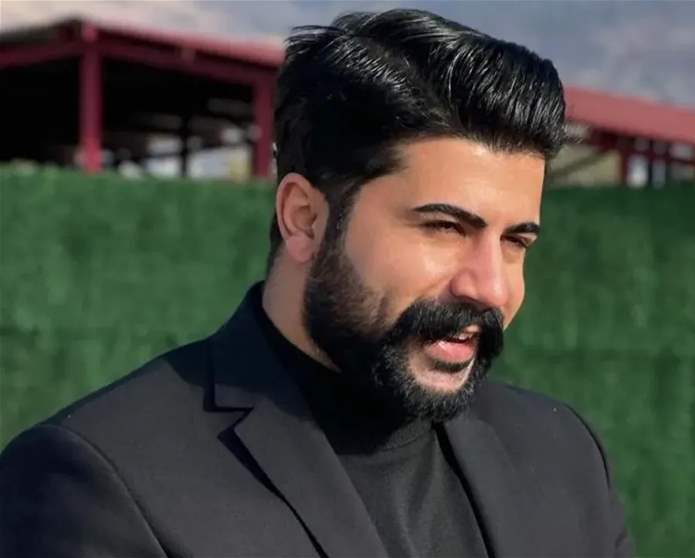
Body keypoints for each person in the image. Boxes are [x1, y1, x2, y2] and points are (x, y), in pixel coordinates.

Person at [0, 9, 632, 557]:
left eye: (516, 241)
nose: (490, 287)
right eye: (444, 227)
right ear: (304, 217)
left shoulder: (563, 456)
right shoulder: (101, 481)